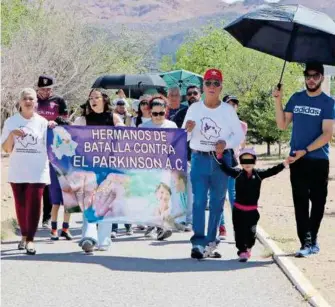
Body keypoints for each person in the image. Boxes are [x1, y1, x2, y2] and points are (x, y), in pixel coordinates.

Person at [273, 62, 335, 257]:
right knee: (300, 202)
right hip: (297, 161)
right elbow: (282, 124)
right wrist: (278, 100)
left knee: (317, 202)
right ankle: (305, 243)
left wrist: (305, 150)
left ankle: (313, 239)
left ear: (322, 78)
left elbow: (327, 134)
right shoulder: (296, 98)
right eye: (307, 76)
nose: (311, 79)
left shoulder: (328, 102)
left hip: (318, 160)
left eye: (315, 76)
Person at [182, 68, 244, 259]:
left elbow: (239, 134)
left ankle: (211, 241)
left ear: (220, 87)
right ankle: (198, 243)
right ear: (203, 86)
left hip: (221, 159)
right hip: (199, 157)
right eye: (208, 83)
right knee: (199, 201)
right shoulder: (194, 109)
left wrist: (226, 143)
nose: (211, 86)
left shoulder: (227, 110)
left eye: (216, 84)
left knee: (217, 202)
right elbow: (183, 136)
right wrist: (189, 130)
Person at [73, 89, 124, 253]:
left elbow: (125, 135)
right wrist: (54, 125)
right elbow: (68, 133)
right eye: (91, 98)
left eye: (97, 97)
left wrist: (121, 129)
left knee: (106, 203)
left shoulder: (114, 118)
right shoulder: (82, 120)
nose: (93, 100)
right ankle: (88, 237)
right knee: (88, 201)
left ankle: (104, 240)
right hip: (88, 166)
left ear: (104, 100)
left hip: (109, 167)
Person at [1, 88, 50, 255]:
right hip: (18, 170)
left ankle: (30, 240)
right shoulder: (11, 122)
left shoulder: (43, 122)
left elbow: (51, 146)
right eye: (25, 99)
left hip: (38, 171)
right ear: (20, 102)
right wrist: (12, 135)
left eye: (31, 98)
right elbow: (7, 149)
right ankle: (23, 234)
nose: (28, 101)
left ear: (36, 102)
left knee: (35, 204)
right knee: (21, 205)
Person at [216, 148, 288, 262]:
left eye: (250, 161)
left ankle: (249, 247)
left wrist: (285, 163)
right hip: (238, 211)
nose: (247, 164)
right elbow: (225, 169)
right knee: (239, 232)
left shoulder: (259, 174)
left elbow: (272, 170)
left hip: (252, 212)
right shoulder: (238, 174)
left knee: (251, 233)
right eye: (244, 161)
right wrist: (219, 157)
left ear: (254, 161)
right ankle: (242, 251)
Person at [140, 96, 177, 240]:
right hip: (148, 168)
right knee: (151, 198)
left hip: (165, 168)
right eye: (155, 114)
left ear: (166, 112)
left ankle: (163, 227)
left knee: (164, 197)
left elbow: (177, 147)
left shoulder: (172, 126)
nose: (158, 117)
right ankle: (152, 224)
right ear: (150, 113)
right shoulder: (143, 127)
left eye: (161, 113)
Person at [35, 75, 69, 229]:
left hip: (54, 145)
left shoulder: (59, 100)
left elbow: (66, 120)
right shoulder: (32, 100)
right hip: (35, 145)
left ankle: (47, 218)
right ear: (37, 88)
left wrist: (57, 122)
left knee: (50, 181)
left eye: (48, 89)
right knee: (37, 182)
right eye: (42, 89)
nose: (45, 92)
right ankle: (34, 215)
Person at [171, 85, 202, 231]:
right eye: (189, 94)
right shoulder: (180, 114)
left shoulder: (208, 111)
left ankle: (195, 220)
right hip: (185, 158)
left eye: (195, 93)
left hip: (203, 157)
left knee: (199, 193)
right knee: (185, 192)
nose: (192, 96)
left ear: (200, 94)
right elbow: (174, 137)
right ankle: (184, 220)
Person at [218, 95, 248, 240]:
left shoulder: (242, 125)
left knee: (234, 196)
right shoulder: (219, 122)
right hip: (220, 163)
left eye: (234, 104)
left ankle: (238, 228)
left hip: (235, 164)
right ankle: (221, 227)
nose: (232, 106)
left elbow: (242, 146)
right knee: (219, 196)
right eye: (228, 104)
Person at [111, 98, 133, 237]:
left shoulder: (132, 118)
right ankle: (113, 226)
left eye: (122, 104)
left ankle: (128, 225)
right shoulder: (112, 118)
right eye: (118, 105)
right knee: (113, 194)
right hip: (113, 156)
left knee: (126, 194)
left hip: (129, 157)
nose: (120, 107)